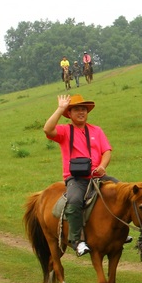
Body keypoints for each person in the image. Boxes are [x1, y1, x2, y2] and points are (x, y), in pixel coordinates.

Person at [43, 94, 112, 256]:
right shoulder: (65, 131)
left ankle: (119, 233)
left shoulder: (97, 130)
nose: (81, 112)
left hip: (97, 175)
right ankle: (77, 241)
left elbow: (107, 151)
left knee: (121, 192)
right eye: (76, 110)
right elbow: (47, 129)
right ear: (70, 114)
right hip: (76, 178)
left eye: (84, 109)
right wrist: (60, 108)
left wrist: (102, 166)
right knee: (74, 201)